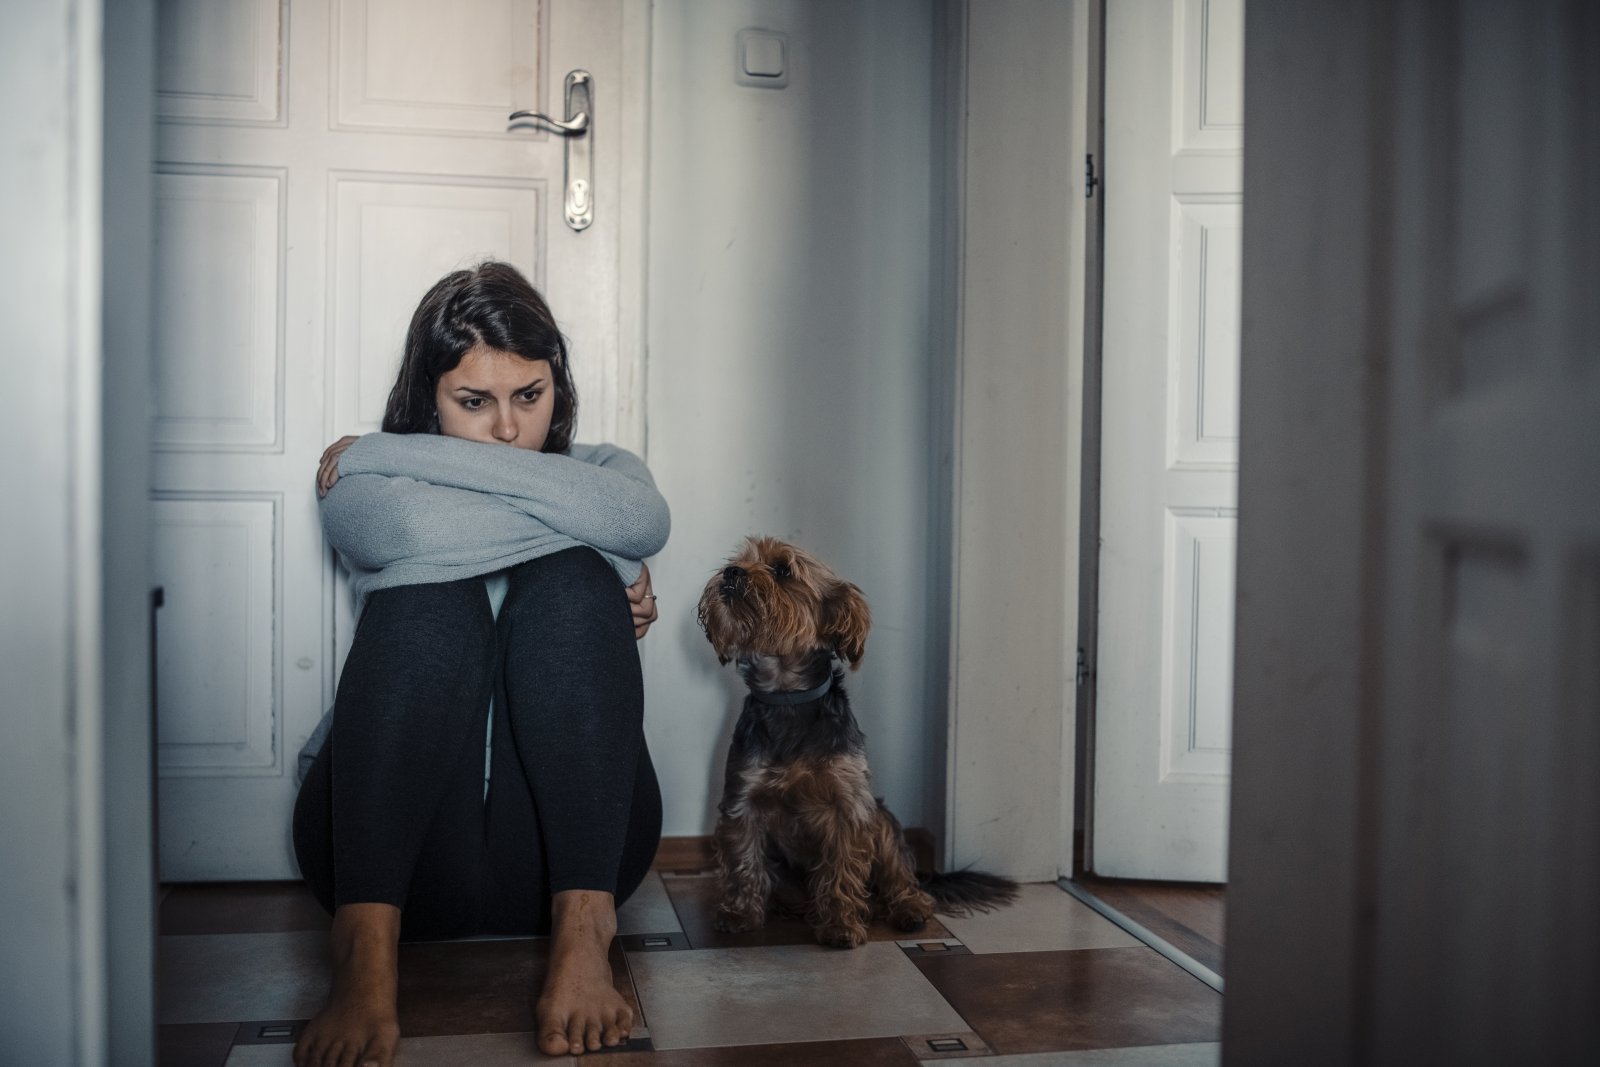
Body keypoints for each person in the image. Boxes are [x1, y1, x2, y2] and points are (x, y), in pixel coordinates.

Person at [290, 261, 670, 1067]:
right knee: (435, 596)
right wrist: (605, 552)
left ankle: (583, 938)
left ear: (556, 385)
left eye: (530, 396)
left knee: (568, 584)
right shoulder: (366, 484)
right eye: (474, 402)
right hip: (393, 856)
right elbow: (407, 540)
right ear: (426, 396)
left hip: (570, 860)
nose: (507, 430)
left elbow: (642, 516)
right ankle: (362, 954)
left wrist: (398, 455)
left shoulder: (390, 462)